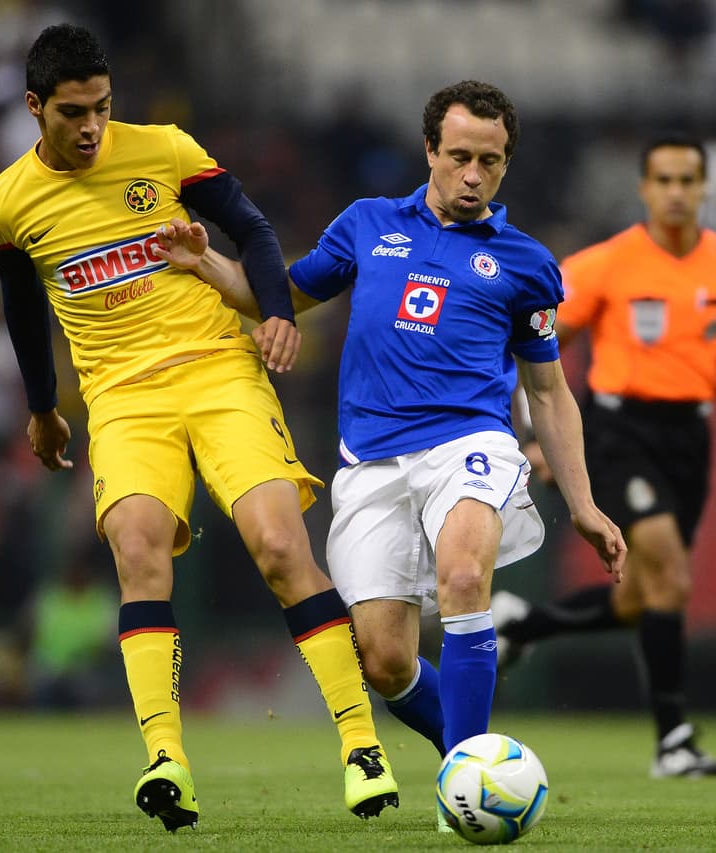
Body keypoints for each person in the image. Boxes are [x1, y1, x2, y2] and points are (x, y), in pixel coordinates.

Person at [0, 23, 398, 833]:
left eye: (102, 107)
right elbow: (22, 306)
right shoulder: (3, 204)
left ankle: (359, 745)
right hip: (122, 398)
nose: (93, 126)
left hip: (215, 369)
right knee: (137, 550)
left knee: (279, 545)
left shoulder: (165, 149)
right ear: (35, 108)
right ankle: (166, 758)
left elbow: (256, 229)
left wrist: (275, 311)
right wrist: (41, 406)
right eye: (73, 112)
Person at [154, 81, 626, 775]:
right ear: (430, 149)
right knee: (385, 660)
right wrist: (207, 264)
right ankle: (470, 757)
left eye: (490, 162)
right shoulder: (367, 224)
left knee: (465, 574)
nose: (474, 174)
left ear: (505, 165)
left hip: (471, 445)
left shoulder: (525, 263)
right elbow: (278, 296)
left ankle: (466, 780)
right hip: (371, 465)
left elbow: (549, 392)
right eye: (460, 155)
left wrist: (583, 504)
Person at [491, 133, 716, 778]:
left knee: (644, 595)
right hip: (617, 430)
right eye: (662, 180)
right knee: (671, 573)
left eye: (686, 180)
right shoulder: (605, 264)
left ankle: (523, 624)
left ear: (704, 188)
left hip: (690, 436)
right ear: (644, 189)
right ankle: (674, 741)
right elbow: (533, 347)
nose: (675, 192)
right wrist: (537, 436)